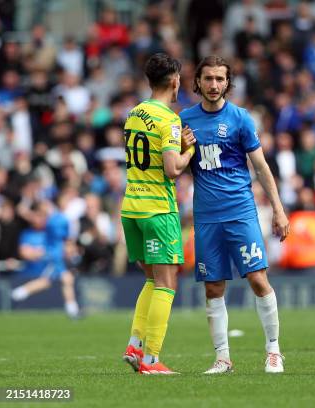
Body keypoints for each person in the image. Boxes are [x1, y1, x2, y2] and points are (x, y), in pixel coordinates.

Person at [180, 55, 289, 374]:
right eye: (208, 79)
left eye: (220, 79)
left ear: (228, 83)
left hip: (241, 212)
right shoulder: (185, 120)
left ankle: (274, 350)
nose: (214, 85)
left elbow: (261, 167)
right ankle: (223, 358)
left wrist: (279, 210)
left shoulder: (241, 119)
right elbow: (174, 169)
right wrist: (184, 148)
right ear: (198, 82)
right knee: (213, 287)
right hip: (206, 216)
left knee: (257, 278)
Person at [120, 53, 195, 375]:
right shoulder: (169, 120)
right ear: (175, 81)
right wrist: (189, 148)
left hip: (130, 209)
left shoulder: (133, 113)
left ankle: (135, 345)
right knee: (167, 283)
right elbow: (172, 168)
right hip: (158, 210)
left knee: (151, 279)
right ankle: (151, 360)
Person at [11, 199, 79, 319]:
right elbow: (25, 252)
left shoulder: (51, 228)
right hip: (46, 263)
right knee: (51, 281)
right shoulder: (31, 232)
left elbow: (65, 243)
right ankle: (17, 294)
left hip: (53, 260)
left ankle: (73, 310)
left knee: (66, 279)